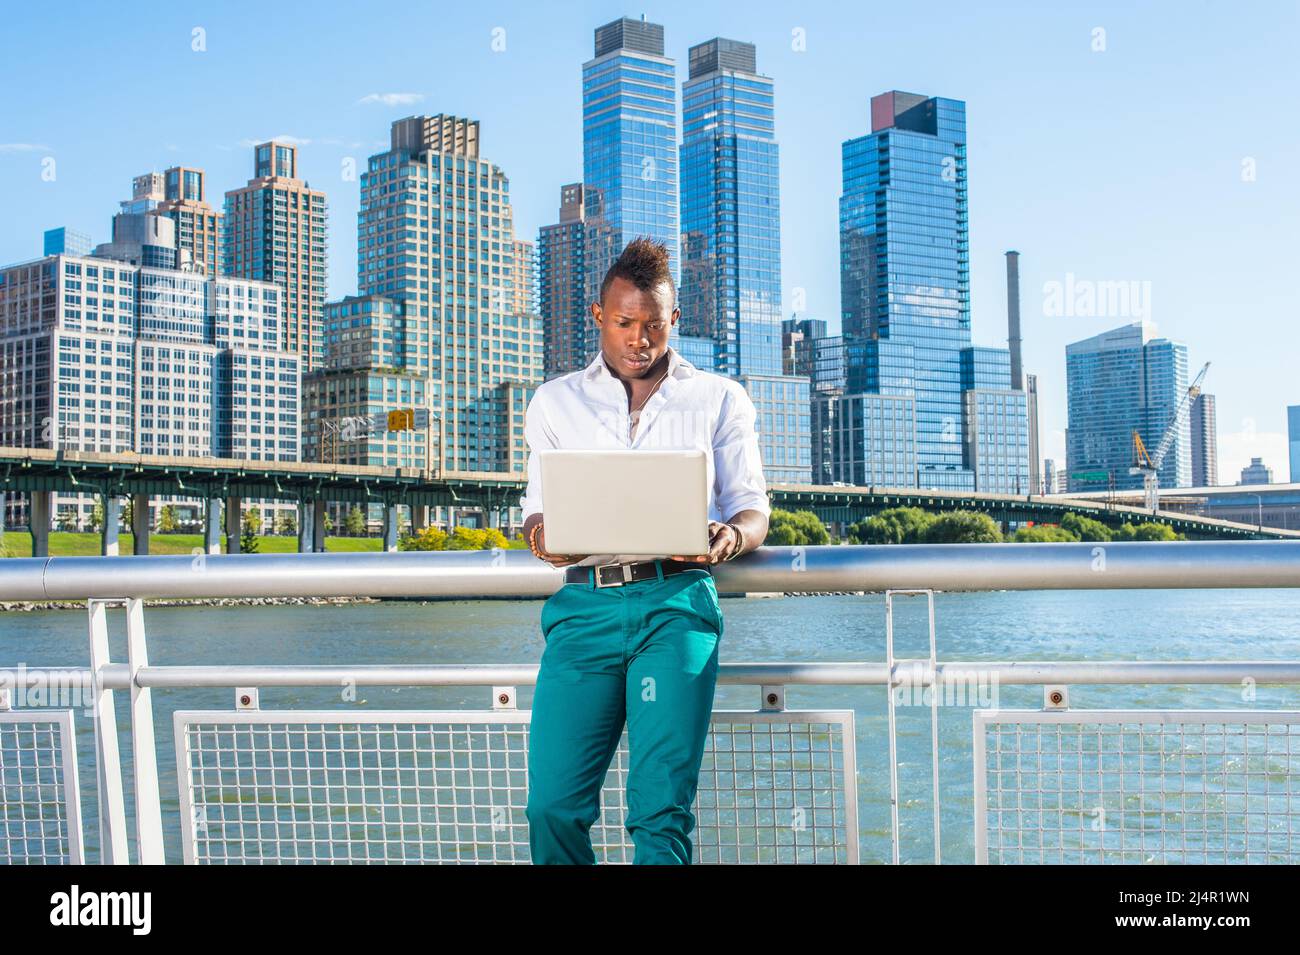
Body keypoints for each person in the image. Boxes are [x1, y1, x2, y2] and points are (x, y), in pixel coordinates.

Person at [519, 236, 771, 864]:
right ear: (599, 317)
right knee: (552, 807)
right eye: (625, 323)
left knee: (659, 813)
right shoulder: (554, 401)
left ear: (674, 321)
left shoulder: (719, 397)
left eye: (654, 326)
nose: (640, 340)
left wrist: (731, 537)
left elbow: (753, 507)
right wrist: (542, 536)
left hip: (676, 604)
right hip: (584, 608)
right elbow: (535, 509)